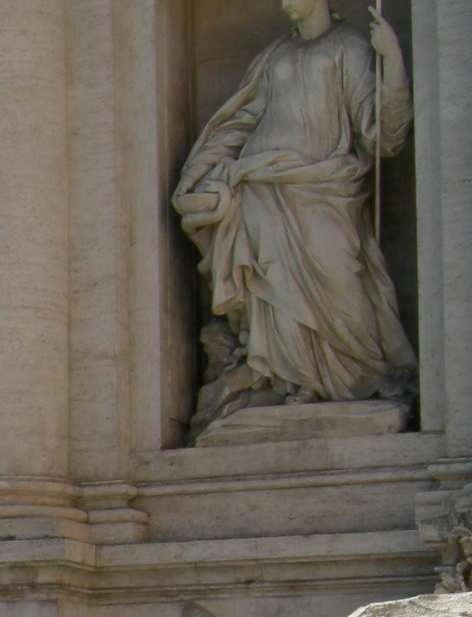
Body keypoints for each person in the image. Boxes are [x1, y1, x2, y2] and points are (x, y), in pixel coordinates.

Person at [173, 0, 413, 436]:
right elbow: (240, 122)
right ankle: (292, 380)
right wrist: (199, 172)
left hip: (326, 189)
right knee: (274, 284)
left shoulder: (350, 46)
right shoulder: (275, 55)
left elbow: (381, 135)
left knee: (341, 280)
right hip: (262, 188)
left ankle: (358, 378)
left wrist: (392, 58)